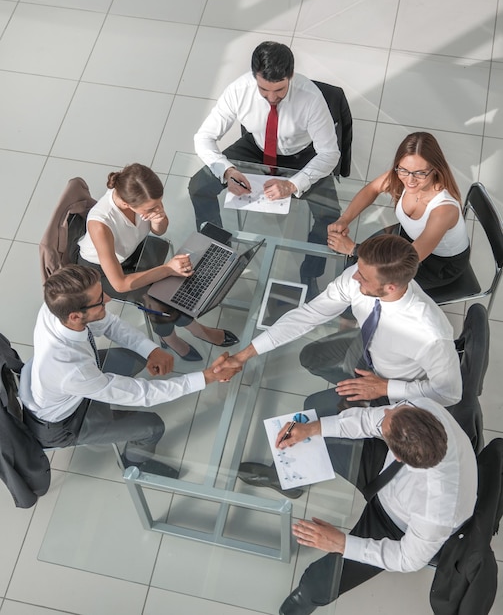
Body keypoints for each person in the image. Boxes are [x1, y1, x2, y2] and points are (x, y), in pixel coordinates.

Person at [19, 265, 241, 478]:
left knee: (134, 358)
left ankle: (111, 405)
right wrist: (207, 377)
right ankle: (134, 463)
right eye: (100, 301)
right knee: (152, 427)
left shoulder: (55, 310)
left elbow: (110, 325)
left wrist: (151, 350)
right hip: (64, 423)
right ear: (75, 316)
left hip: (71, 385)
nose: (108, 299)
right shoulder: (71, 369)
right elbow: (142, 394)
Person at [274, 398, 477, 614]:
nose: (387, 410)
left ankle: (307, 597)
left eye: (388, 415)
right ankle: (283, 476)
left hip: (396, 524)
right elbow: (372, 420)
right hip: (386, 475)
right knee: (316, 441)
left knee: (322, 582)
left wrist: (341, 543)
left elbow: (407, 559)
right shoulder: (423, 408)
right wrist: (313, 428)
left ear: (397, 455)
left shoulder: (437, 512)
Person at [214, 235, 462, 411]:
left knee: (316, 407)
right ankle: (351, 387)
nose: (354, 277)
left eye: (363, 277)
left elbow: (449, 393)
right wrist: (242, 356)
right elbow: (309, 315)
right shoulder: (360, 276)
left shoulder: (430, 334)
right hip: (364, 348)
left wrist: (385, 388)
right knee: (310, 356)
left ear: (390, 287)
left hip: (395, 382)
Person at [189, 40, 342, 299]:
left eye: (280, 90)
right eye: (263, 90)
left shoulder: (311, 98)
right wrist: (226, 171)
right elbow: (203, 138)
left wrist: (293, 184)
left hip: (300, 156)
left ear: (291, 76)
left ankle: (311, 272)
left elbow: (330, 153)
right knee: (198, 186)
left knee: (330, 214)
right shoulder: (239, 90)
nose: (272, 98)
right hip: (256, 147)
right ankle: (217, 251)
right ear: (254, 76)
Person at [78, 163, 239, 362]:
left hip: (132, 249)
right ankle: (180, 335)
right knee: (158, 299)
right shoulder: (100, 224)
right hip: (102, 272)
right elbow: (120, 283)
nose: (156, 208)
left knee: (175, 285)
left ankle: (186, 328)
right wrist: (167, 269)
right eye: (151, 208)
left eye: (159, 204)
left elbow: (159, 231)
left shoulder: (137, 196)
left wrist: (159, 216)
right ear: (128, 205)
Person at [327, 132, 470, 291]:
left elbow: (409, 260)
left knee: (366, 283)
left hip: (436, 265)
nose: (410, 180)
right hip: (406, 239)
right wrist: (344, 219)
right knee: (357, 267)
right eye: (403, 170)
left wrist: (353, 249)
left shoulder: (443, 210)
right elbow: (372, 189)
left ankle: (352, 315)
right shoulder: (401, 176)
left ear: (435, 170)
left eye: (420, 173)